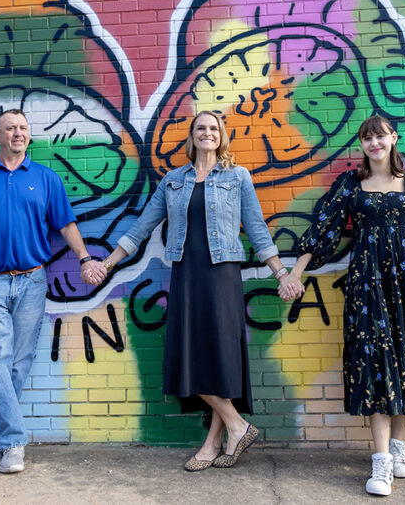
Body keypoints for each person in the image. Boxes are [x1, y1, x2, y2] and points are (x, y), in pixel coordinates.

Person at [98, 110, 298, 471]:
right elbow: (142, 227)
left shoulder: (237, 177)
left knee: (219, 355)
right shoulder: (173, 181)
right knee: (186, 354)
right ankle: (236, 426)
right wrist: (108, 262)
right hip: (187, 274)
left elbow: (256, 229)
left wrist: (282, 272)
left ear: (221, 137)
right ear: (191, 137)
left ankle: (214, 443)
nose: (207, 133)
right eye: (201, 128)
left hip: (221, 275)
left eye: (213, 128)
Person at [283, 115, 405, 497]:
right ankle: (380, 463)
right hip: (368, 286)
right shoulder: (350, 183)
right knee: (376, 360)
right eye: (367, 138)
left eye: (380, 136)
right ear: (361, 145)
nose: (374, 143)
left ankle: (398, 448)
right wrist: (295, 272)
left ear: (394, 139)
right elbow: (324, 228)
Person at [0, 108, 107, 474]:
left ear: (29, 135)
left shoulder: (46, 178)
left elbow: (65, 224)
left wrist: (85, 257)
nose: (17, 133)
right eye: (10, 128)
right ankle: (13, 443)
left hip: (32, 281)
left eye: (22, 128)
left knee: (18, 364)